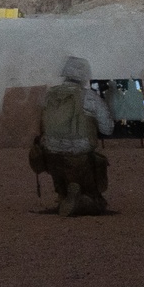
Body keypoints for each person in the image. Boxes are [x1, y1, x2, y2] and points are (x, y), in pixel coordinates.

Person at [31, 55, 114, 216]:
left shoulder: (48, 95)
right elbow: (108, 129)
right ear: (84, 76)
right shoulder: (89, 97)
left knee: (58, 165)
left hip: (50, 157)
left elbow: (42, 125)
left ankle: (63, 195)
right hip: (79, 157)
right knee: (96, 201)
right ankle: (81, 196)